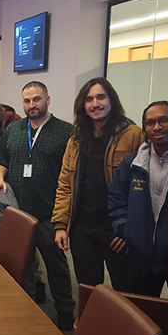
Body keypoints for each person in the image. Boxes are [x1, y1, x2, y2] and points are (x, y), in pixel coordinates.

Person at [0, 81, 75, 329]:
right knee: (19, 262)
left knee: (56, 265)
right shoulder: (14, 129)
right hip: (17, 211)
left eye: (36, 100)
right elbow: (0, 159)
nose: (31, 105)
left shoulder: (66, 131)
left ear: (47, 100)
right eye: (27, 101)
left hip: (48, 212)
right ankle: (23, 305)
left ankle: (66, 313)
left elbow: (70, 173)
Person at [52, 77, 143, 292]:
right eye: (89, 99)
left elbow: (143, 188)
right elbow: (65, 183)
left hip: (115, 231)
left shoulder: (133, 134)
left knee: (125, 291)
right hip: (82, 227)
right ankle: (92, 325)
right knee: (87, 289)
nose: (95, 104)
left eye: (101, 97)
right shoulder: (76, 138)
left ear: (112, 100)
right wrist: (60, 224)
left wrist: (129, 229)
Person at [108, 101, 168, 297]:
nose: (157, 127)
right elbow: (117, 200)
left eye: (164, 120)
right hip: (141, 255)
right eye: (150, 123)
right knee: (140, 313)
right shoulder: (132, 164)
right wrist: (127, 230)